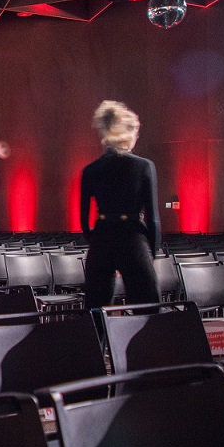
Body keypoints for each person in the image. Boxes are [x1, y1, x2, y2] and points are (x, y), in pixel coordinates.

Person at [80, 100, 160, 309]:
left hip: (101, 239)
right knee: (147, 309)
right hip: (132, 237)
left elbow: (83, 220)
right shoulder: (144, 166)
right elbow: (153, 219)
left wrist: (96, 239)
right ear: (127, 133)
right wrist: (152, 252)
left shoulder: (91, 170)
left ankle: (98, 342)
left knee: (95, 310)